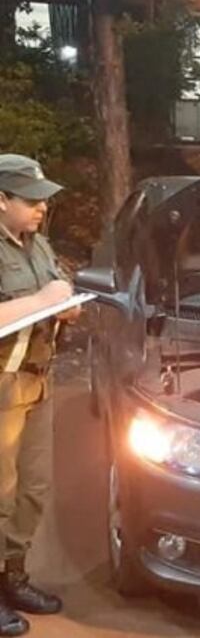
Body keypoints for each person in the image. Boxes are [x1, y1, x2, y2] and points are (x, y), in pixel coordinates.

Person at [0, 155, 78, 637]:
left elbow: (57, 284)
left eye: (45, 201)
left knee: (33, 490)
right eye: (31, 201)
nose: (42, 209)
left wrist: (65, 303)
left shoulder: (37, 245)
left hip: (37, 380)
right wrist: (44, 301)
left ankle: (13, 576)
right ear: (1, 200)